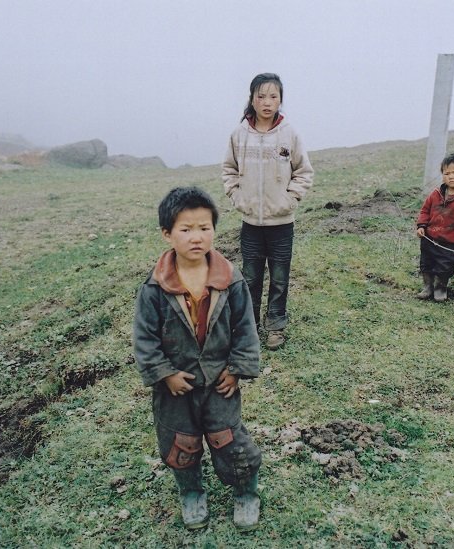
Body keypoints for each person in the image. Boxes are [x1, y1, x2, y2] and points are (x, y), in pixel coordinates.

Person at [133, 187, 262, 532]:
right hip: (176, 387)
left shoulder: (230, 280)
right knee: (181, 443)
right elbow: (144, 339)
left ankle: (246, 492)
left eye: (204, 228)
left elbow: (246, 328)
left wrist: (236, 369)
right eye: (186, 229)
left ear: (215, 230)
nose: (196, 237)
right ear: (167, 234)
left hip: (220, 382)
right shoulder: (154, 288)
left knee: (229, 439)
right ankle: (191, 493)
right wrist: (164, 374)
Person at [223, 72, 314, 350]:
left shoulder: (289, 134)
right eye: (261, 96)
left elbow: (304, 172)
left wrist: (290, 199)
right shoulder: (239, 135)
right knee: (250, 278)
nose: (267, 102)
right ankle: (248, 328)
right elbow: (229, 170)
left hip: (282, 224)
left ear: (280, 100)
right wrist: (238, 197)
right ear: (251, 99)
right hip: (251, 224)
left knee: (280, 278)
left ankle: (275, 325)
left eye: (273, 96)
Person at [416, 153, 454, 301]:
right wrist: (422, 225)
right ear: (442, 175)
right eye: (446, 173)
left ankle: (440, 288)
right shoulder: (435, 194)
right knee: (426, 263)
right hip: (429, 238)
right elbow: (425, 210)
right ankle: (428, 287)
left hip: (450, 243)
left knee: (445, 267)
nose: (451, 177)